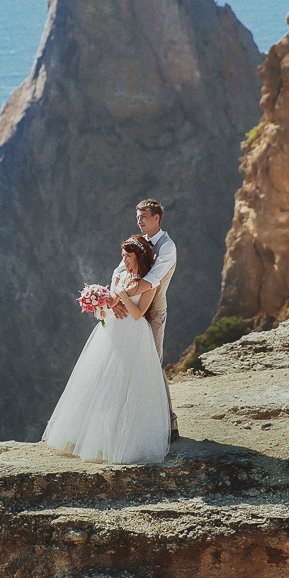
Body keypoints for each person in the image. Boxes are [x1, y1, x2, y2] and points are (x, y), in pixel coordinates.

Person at [41, 235, 171, 464]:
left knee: (127, 384)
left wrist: (121, 297)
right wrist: (105, 303)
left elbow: (139, 313)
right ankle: (95, 440)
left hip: (134, 332)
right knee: (101, 380)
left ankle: (124, 442)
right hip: (113, 328)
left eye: (128, 256)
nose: (124, 260)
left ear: (138, 256)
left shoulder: (151, 282)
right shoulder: (120, 274)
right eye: (123, 256)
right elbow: (111, 302)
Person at [112, 199, 178, 442]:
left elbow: (153, 279)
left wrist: (121, 296)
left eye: (143, 217)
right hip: (130, 310)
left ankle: (170, 425)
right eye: (137, 217)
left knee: (153, 365)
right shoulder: (138, 242)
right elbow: (119, 270)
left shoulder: (167, 247)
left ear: (156, 218)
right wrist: (113, 297)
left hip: (153, 312)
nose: (139, 221)